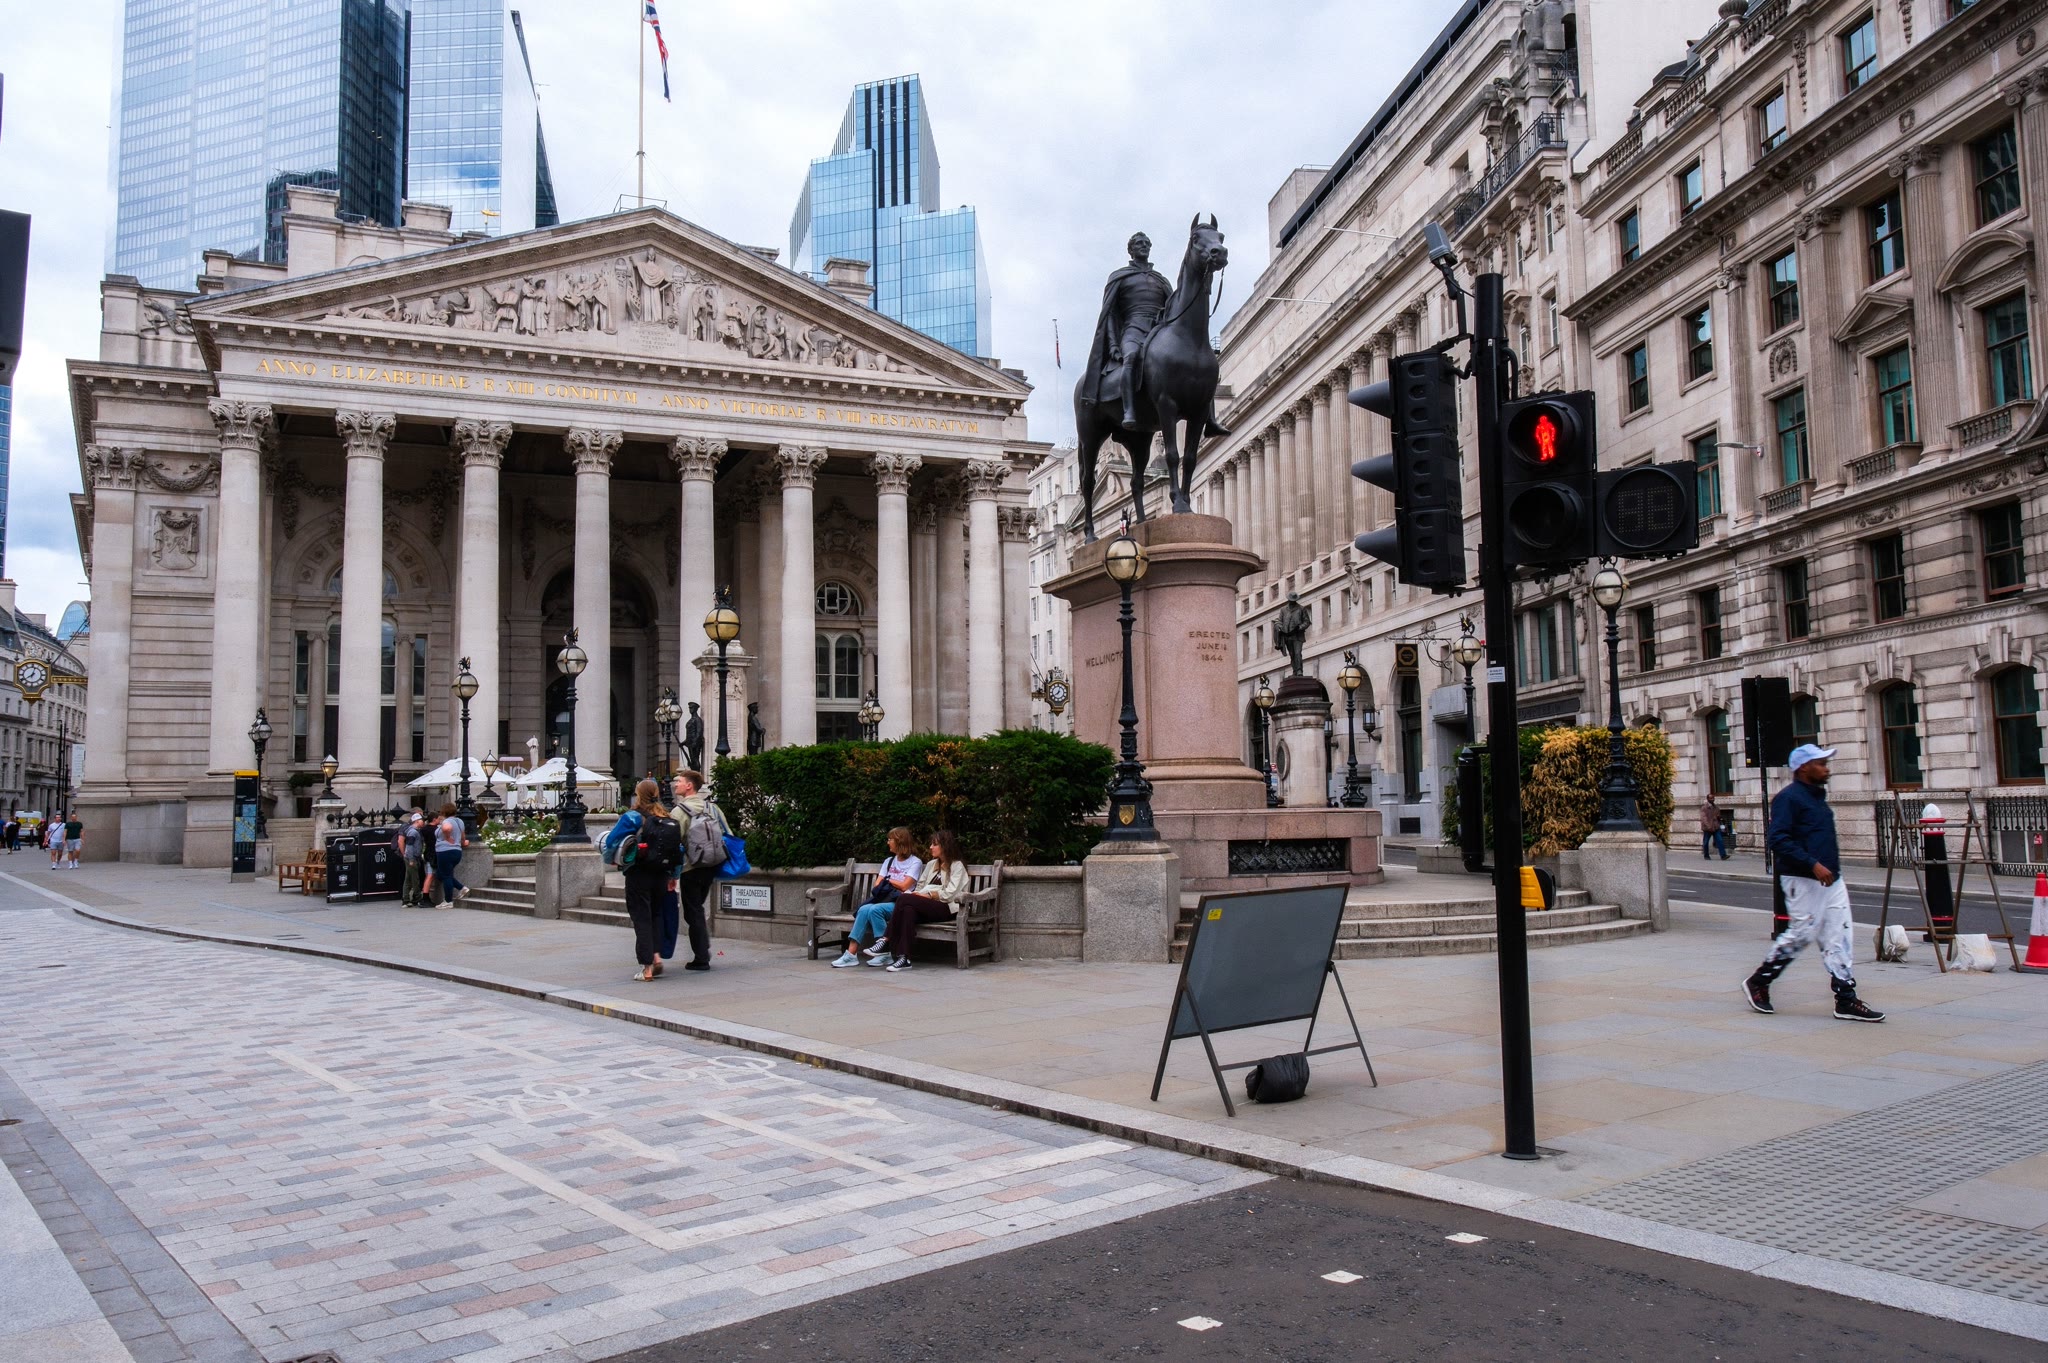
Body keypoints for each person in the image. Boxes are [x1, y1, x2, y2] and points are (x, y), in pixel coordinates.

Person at [1743, 745, 1885, 1022]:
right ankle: (1759, 981)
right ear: (1803, 768)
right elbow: (1778, 839)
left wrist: (1826, 867)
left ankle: (1846, 999)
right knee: (1802, 934)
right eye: (1821, 763)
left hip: (1831, 879)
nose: (1826, 768)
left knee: (1840, 936)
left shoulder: (1817, 798)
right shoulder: (1788, 798)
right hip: (1802, 879)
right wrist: (1812, 864)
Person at [603, 779, 682, 982]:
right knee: (656, 915)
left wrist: (611, 859)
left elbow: (610, 842)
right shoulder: (667, 816)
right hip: (661, 874)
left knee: (641, 918)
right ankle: (656, 956)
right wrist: (674, 875)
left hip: (638, 873)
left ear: (638, 795)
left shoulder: (632, 817)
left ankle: (646, 968)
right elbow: (678, 849)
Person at [871, 830, 969, 972]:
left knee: (904, 898)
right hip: (927, 905)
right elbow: (920, 886)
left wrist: (928, 895)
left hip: (947, 908)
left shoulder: (957, 866)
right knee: (908, 910)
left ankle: (886, 939)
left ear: (945, 846)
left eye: (934, 844)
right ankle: (904, 959)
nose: (930, 847)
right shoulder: (931, 864)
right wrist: (918, 895)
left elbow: (950, 894)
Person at [831, 828, 923, 968]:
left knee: (875, 910)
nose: (888, 842)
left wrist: (889, 880)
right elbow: (877, 884)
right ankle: (851, 954)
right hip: (885, 899)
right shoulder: (889, 861)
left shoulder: (915, 862)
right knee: (864, 909)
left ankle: (884, 954)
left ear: (899, 841)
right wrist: (893, 882)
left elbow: (905, 886)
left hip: (901, 903)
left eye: (890, 839)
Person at [669, 769, 726, 971]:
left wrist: (672, 873)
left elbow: (672, 842)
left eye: (679, 781)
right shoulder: (712, 808)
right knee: (697, 907)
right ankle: (703, 951)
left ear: (689, 786)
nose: (676, 784)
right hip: (711, 865)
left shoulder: (679, 811)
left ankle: (701, 956)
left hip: (690, 867)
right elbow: (726, 833)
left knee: (693, 911)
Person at [431, 804, 469, 905]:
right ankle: (461, 888)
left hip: (445, 851)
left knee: (446, 876)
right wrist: (463, 842)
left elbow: (447, 828)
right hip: (457, 851)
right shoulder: (460, 821)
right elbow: (462, 836)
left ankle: (448, 901)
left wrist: (447, 837)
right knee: (441, 874)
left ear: (444, 812)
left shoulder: (446, 821)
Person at [400, 810, 428, 906]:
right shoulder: (413, 832)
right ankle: (417, 897)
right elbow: (409, 846)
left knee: (408, 879)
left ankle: (406, 899)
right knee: (414, 879)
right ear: (417, 821)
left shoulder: (413, 831)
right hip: (412, 858)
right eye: (422, 820)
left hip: (411, 857)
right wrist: (411, 859)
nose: (423, 822)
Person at [1698, 795, 1729, 861]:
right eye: (1711, 798)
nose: (1712, 799)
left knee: (1720, 840)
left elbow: (1718, 816)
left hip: (1716, 827)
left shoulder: (1716, 807)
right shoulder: (1704, 808)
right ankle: (1706, 855)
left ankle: (1723, 855)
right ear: (1707, 799)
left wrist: (1719, 818)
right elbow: (1704, 818)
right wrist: (1709, 826)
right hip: (1708, 828)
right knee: (1706, 842)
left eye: (1713, 798)